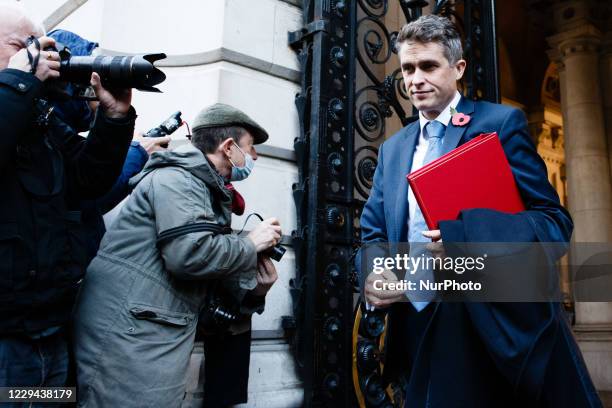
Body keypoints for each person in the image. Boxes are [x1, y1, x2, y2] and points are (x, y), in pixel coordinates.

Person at [359, 15, 602, 407]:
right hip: (417, 324)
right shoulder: (393, 149)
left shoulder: (500, 123)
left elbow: (553, 224)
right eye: (407, 68)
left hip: (492, 325)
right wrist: (374, 273)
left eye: (428, 66)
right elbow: (372, 234)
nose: (415, 78)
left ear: (458, 69)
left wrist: (464, 238)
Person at [73, 103, 281, 407]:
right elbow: (188, 256)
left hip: (148, 332)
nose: (255, 157)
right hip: (129, 335)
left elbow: (206, 276)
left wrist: (255, 290)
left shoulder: (204, 188)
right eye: (250, 147)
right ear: (228, 147)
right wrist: (250, 244)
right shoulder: (179, 180)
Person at [0, 3, 135, 392]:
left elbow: (86, 183)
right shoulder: (19, 96)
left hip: (49, 332)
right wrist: (19, 82)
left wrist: (113, 120)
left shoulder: (36, 113)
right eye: (24, 44)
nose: (39, 54)